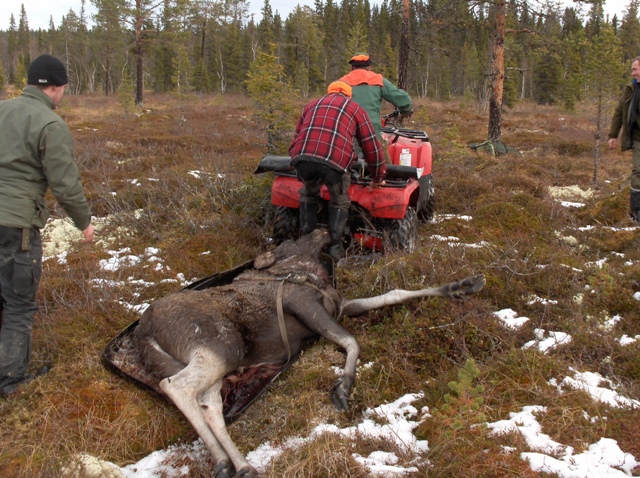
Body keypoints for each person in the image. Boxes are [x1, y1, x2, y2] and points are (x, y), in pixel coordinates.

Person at [0, 54, 95, 397]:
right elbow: (65, 184)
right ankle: (10, 382)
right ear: (56, 88)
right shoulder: (50, 125)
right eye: (64, 89)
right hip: (16, 226)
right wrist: (84, 222)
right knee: (18, 304)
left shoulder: (1, 109)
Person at [289, 80, 386, 260]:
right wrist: (378, 176)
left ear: (329, 92)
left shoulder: (311, 105)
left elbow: (298, 135)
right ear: (348, 95)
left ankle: (306, 242)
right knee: (339, 200)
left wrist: (297, 162)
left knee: (308, 194)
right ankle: (335, 249)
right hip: (335, 163)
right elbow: (371, 146)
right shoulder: (355, 109)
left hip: (302, 158)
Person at [340, 52, 413, 147]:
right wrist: (405, 111)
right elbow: (404, 100)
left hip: (345, 134)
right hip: (371, 134)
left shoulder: (341, 83)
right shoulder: (378, 80)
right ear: (369, 67)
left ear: (352, 67)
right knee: (384, 159)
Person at [608, 55, 640, 223]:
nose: (632, 73)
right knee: (638, 171)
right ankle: (636, 214)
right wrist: (613, 135)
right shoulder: (630, 89)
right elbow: (619, 111)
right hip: (637, 138)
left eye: (635, 69)